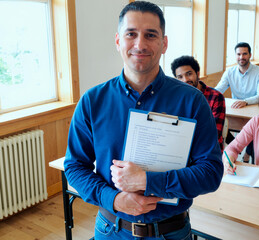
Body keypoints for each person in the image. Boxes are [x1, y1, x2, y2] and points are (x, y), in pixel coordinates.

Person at [64, 2, 223, 239]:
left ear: (164, 43)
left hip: (171, 231)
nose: (140, 44)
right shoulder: (92, 101)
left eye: (150, 35)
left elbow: (210, 172)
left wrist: (149, 181)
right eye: (131, 34)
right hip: (111, 229)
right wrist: (114, 199)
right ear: (118, 41)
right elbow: (75, 166)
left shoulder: (192, 102)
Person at [215, 42, 259, 161]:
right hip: (237, 109)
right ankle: (237, 145)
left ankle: (247, 152)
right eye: (238, 54)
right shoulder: (229, 72)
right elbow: (218, 90)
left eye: (244, 54)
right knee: (220, 122)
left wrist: (246, 101)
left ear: (250, 55)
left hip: (254, 108)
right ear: (235, 55)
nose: (241, 57)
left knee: (254, 128)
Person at [171, 55, 226, 151]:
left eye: (189, 74)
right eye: (180, 77)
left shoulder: (216, 97)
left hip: (209, 152)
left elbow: (213, 134)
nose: (185, 80)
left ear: (198, 74)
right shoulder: (176, 98)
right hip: (182, 149)